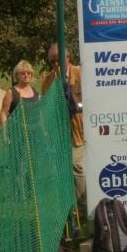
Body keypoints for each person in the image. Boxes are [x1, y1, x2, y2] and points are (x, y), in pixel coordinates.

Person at [41, 43, 86, 212]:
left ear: (67, 58)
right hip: (59, 132)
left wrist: (76, 106)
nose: (55, 64)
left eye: (58, 60)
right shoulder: (48, 81)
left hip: (80, 130)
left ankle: (82, 207)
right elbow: (46, 107)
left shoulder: (81, 74)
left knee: (77, 166)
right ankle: (68, 208)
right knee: (62, 169)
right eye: (52, 62)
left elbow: (92, 100)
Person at [0, 60, 40, 131]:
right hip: (18, 133)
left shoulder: (34, 90)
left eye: (28, 73)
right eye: (23, 73)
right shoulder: (11, 92)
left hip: (37, 131)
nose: (26, 75)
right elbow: (3, 114)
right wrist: (5, 134)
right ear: (17, 75)